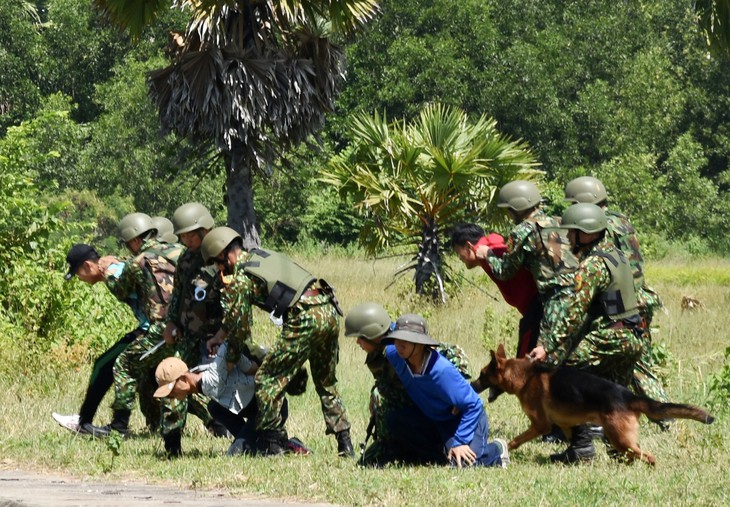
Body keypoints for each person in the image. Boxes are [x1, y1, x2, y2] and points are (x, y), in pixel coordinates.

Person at [201, 226, 354, 457]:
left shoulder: (242, 277)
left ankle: (273, 445)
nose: (219, 269)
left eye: (217, 263)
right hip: (328, 309)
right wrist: (219, 335)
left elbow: (241, 329)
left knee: (268, 379)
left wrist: (229, 360)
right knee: (326, 381)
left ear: (223, 254)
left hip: (303, 317)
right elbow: (234, 320)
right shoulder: (263, 256)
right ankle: (345, 444)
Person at [529, 203, 645, 464]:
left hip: (611, 337)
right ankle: (622, 450)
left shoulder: (592, 266)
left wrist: (548, 346)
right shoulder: (616, 255)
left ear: (589, 233)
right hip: (633, 336)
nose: (568, 239)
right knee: (615, 396)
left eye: (573, 232)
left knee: (564, 377)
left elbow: (573, 314)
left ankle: (581, 447)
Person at [564, 176, 670, 427]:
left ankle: (660, 416)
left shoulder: (600, 227)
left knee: (630, 364)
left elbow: (597, 266)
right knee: (634, 363)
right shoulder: (621, 219)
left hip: (621, 301)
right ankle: (658, 414)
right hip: (638, 296)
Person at [87, 212, 184, 438]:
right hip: (190, 325)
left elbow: (121, 289)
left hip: (162, 329)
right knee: (165, 374)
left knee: (124, 365)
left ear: (134, 240)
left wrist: (108, 270)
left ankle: (119, 426)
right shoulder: (179, 252)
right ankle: (157, 425)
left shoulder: (137, 262)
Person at [344, 302, 472, 466]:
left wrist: (456, 397)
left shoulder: (401, 345)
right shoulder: (378, 354)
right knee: (367, 463)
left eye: (360, 338)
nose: (357, 343)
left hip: (435, 415)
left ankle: (436, 454)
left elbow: (456, 355)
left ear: (372, 334)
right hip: (411, 413)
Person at [379, 313, 509, 468]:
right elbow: (381, 327)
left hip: (464, 418)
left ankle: (497, 450)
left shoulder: (440, 370)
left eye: (406, 340)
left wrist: (460, 441)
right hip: (437, 420)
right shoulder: (394, 353)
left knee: (463, 464)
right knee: (395, 420)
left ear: (420, 343)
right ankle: (444, 453)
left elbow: (474, 404)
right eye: (397, 339)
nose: (399, 344)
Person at [52, 244, 156, 435]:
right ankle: (217, 425)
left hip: (152, 329)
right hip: (156, 328)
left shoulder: (114, 273)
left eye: (77, 273)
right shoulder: (114, 268)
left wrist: (109, 269)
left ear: (87, 266)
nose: (80, 279)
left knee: (103, 364)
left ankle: (85, 422)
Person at [156, 202, 229, 457]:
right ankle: (172, 443)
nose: (186, 240)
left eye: (190, 234)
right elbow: (178, 293)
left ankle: (242, 435)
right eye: (182, 235)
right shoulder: (185, 259)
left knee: (225, 387)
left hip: (217, 336)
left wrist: (225, 334)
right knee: (174, 382)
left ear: (205, 229)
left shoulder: (221, 256)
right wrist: (172, 322)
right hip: (188, 335)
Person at [477, 181, 580, 343]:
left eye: (509, 211)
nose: (509, 216)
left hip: (556, 301)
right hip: (581, 293)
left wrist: (488, 254)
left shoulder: (523, 231)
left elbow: (505, 272)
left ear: (516, 208)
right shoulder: (558, 221)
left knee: (546, 356)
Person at [151, 348, 304, 456]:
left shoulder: (210, 379)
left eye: (171, 391)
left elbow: (231, 342)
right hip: (255, 406)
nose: (171, 397)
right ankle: (258, 441)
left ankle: (288, 445)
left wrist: (221, 339)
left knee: (235, 454)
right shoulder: (199, 374)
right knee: (214, 407)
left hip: (271, 408)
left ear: (184, 380)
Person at [451, 223, 542, 359]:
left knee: (524, 367)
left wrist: (489, 256)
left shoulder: (489, 252)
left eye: (459, 253)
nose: (459, 258)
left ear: (469, 246)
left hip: (536, 310)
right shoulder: (489, 248)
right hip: (534, 310)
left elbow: (504, 256)